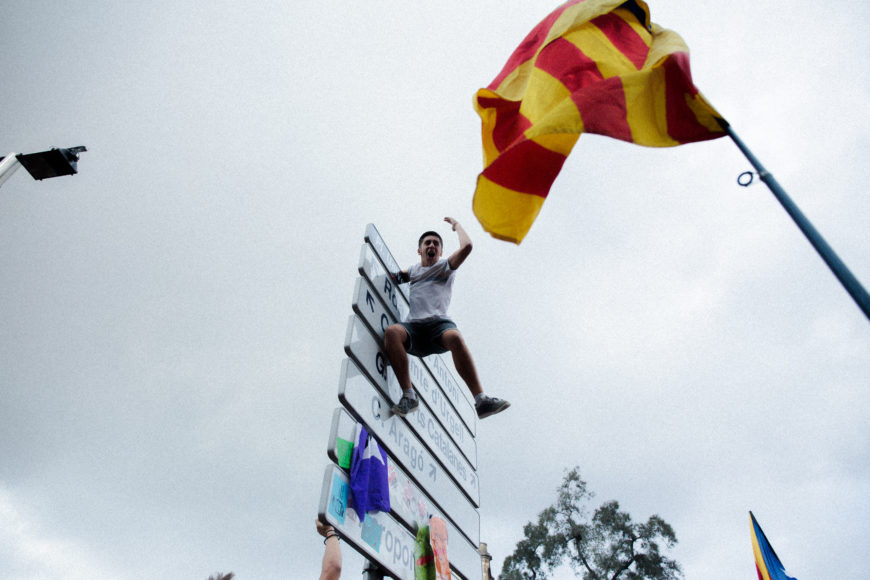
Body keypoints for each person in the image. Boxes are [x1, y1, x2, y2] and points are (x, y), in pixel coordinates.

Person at [385, 217, 510, 419]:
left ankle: (481, 401)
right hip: (415, 328)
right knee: (392, 332)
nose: (432, 245)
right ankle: (408, 396)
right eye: (428, 243)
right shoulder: (414, 271)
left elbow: (467, 246)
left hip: (439, 326)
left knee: (455, 337)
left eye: (436, 243)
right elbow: (391, 277)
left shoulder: (446, 267)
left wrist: (456, 226)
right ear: (420, 250)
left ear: (441, 252)